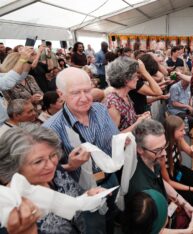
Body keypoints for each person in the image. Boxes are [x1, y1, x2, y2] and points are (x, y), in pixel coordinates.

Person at [43, 67, 119, 233]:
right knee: (93, 229)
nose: (84, 98)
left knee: (111, 220)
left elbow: (114, 140)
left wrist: (122, 143)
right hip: (84, 192)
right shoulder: (50, 129)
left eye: (87, 90)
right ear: (61, 94)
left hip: (110, 180)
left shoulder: (100, 109)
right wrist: (70, 166)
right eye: (76, 93)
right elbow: (46, 176)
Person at [0, 124, 106, 233]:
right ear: (14, 167)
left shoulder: (56, 172)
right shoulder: (10, 210)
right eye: (38, 161)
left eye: (52, 155)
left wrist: (86, 196)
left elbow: (73, 195)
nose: (51, 166)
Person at [126, 119, 193, 234]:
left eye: (164, 146)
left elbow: (162, 182)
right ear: (140, 149)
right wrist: (188, 231)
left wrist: (185, 204)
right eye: (158, 150)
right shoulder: (140, 189)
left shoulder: (153, 160)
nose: (164, 154)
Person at [105, 56, 150, 132]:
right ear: (126, 79)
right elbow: (113, 137)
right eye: (135, 76)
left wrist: (138, 117)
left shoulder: (125, 95)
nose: (137, 78)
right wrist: (138, 123)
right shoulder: (113, 104)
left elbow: (125, 120)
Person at [0, 47, 34, 126]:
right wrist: (22, 60)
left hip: (6, 122)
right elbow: (7, 83)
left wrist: (29, 59)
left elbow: (20, 77)